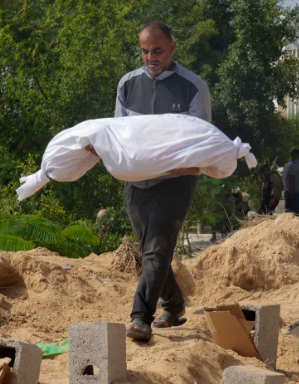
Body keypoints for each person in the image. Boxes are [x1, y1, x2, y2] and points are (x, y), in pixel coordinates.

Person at [111, 21, 211, 341]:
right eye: (144, 51)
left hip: (175, 183)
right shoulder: (127, 84)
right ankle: (175, 303)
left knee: (156, 250)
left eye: (157, 50)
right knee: (151, 251)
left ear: (172, 47)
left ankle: (140, 316)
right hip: (137, 184)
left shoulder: (193, 86)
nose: (150, 56)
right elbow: (119, 132)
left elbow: (200, 137)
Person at [282, 149, 299, 213]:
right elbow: (284, 178)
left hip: (298, 191)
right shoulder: (288, 165)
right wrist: (286, 189)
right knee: (289, 209)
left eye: (297, 157)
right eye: (294, 157)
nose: (295, 158)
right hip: (289, 191)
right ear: (292, 157)